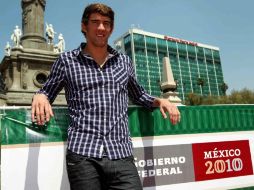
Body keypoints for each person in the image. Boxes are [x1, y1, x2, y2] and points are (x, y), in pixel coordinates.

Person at [31, 3, 180, 190]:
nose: (101, 27)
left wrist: (160, 101)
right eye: (95, 22)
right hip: (83, 155)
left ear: (111, 28)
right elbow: (46, 91)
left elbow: (139, 95)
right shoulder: (67, 61)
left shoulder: (124, 62)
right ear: (84, 27)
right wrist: (40, 96)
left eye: (106, 23)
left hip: (120, 153)